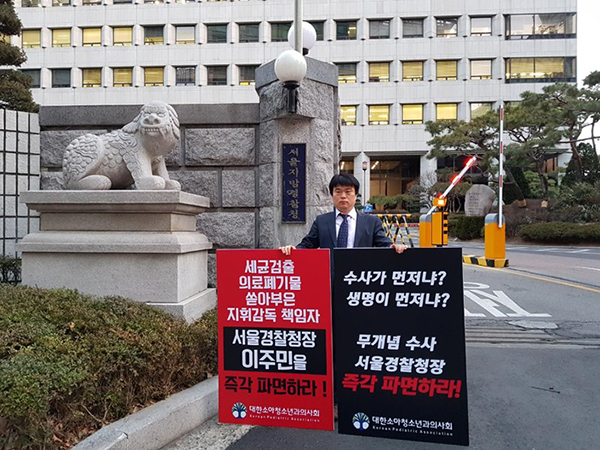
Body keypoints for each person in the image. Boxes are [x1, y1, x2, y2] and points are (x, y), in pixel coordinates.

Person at [280, 173, 408, 254]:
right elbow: (307, 245)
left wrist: (394, 246)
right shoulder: (321, 221)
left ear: (356, 195)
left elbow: (384, 244)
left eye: (348, 191)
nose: (343, 196)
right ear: (332, 195)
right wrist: (293, 250)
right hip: (330, 279)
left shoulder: (371, 222)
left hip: (359, 278)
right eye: (338, 191)